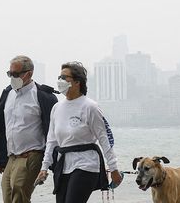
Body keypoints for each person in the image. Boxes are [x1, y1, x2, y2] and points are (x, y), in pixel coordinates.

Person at [36, 62, 123, 203]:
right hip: (63, 165)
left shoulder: (90, 107)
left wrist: (113, 168)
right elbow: (51, 141)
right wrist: (44, 167)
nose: (60, 81)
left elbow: (104, 138)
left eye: (65, 77)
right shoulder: (56, 108)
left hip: (86, 164)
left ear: (77, 82)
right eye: (59, 77)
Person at [0, 55, 59, 203]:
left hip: (31, 155)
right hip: (11, 157)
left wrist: (48, 162)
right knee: (7, 194)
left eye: (16, 74)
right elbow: (1, 127)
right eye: (10, 74)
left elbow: (53, 131)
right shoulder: (8, 93)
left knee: (19, 193)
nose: (12, 77)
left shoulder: (43, 96)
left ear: (29, 73)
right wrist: (0, 158)